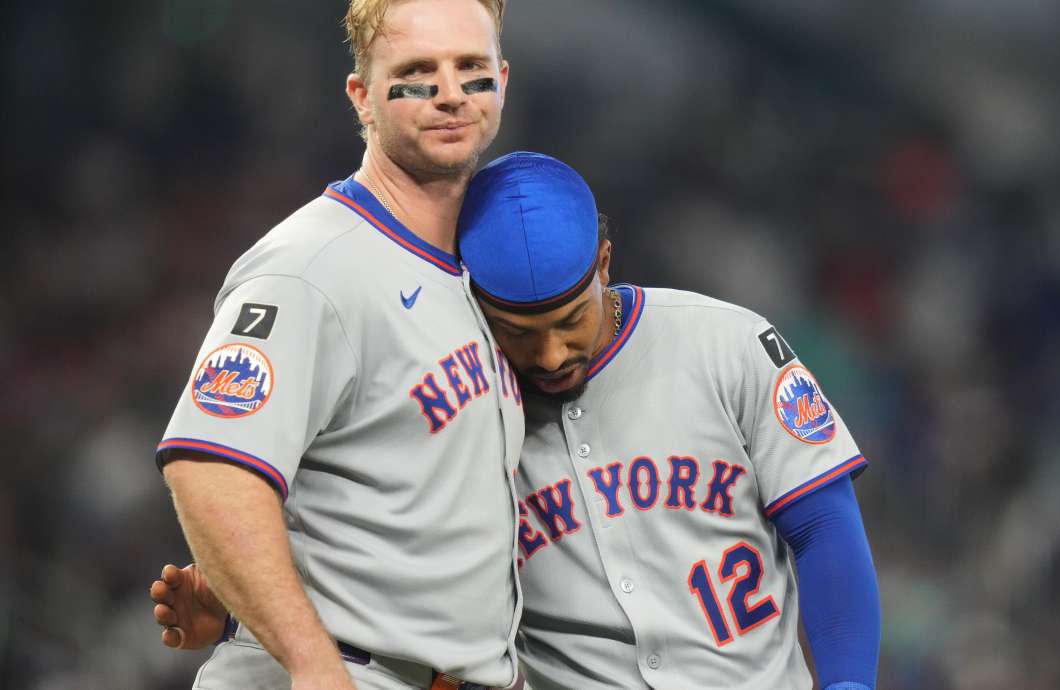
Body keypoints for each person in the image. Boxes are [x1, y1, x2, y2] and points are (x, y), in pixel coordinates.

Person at [153, 153, 882, 689]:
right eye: (521, 331)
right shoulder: (459, 407)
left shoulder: (726, 344)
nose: (553, 352)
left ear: (604, 260)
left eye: (571, 321)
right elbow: (385, 568)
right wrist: (247, 620)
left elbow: (821, 525)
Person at [151, 1, 525, 689]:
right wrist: (309, 657)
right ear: (362, 96)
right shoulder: (311, 266)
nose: (449, 92)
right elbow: (210, 470)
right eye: (416, 71)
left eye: (470, 68)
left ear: (502, 80)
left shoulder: (478, 273)